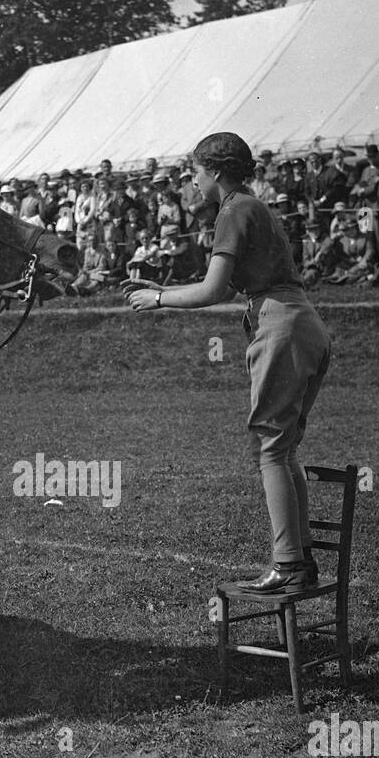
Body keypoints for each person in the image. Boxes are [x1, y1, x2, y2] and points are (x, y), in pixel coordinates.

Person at [126, 131, 331, 593]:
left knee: (271, 450)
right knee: (282, 448)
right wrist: (162, 287)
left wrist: (158, 298)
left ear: (215, 171)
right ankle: (299, 560)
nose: (192, 182)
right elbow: (234, 286)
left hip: (280, 325)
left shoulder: (234, 208)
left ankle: (289, 565)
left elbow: (215, 290)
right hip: (300, 321)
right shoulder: (251, 206)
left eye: (195, 172)